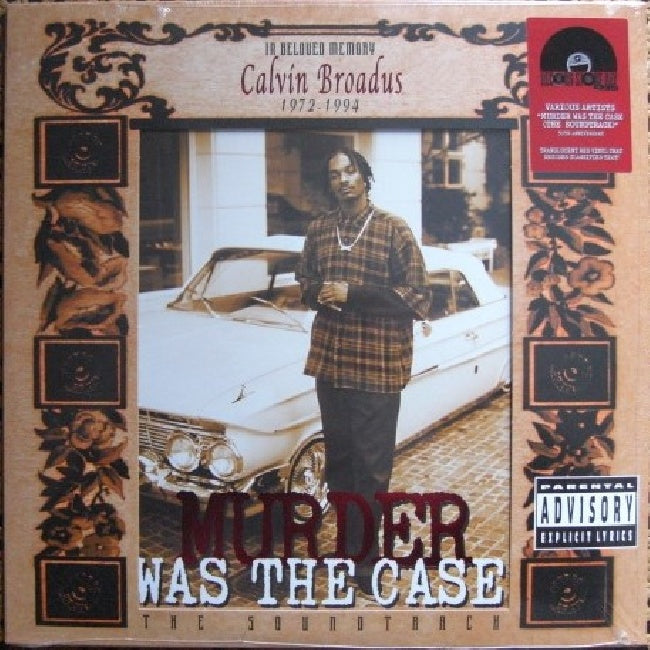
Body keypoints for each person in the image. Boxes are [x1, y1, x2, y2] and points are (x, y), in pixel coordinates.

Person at [295, 147, 431, 595]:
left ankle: (367, 563)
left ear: (365, 176)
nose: (343, 180)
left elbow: (418, 296)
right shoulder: (319, 229)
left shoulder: (394, 229)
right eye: (335, 174)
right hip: (331, 363)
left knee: (371, 472)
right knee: (340, 465)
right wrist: (317, 293)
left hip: (378, 366)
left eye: (350, 171)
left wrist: (352, 294)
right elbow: (304, 283)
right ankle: (345, 551)